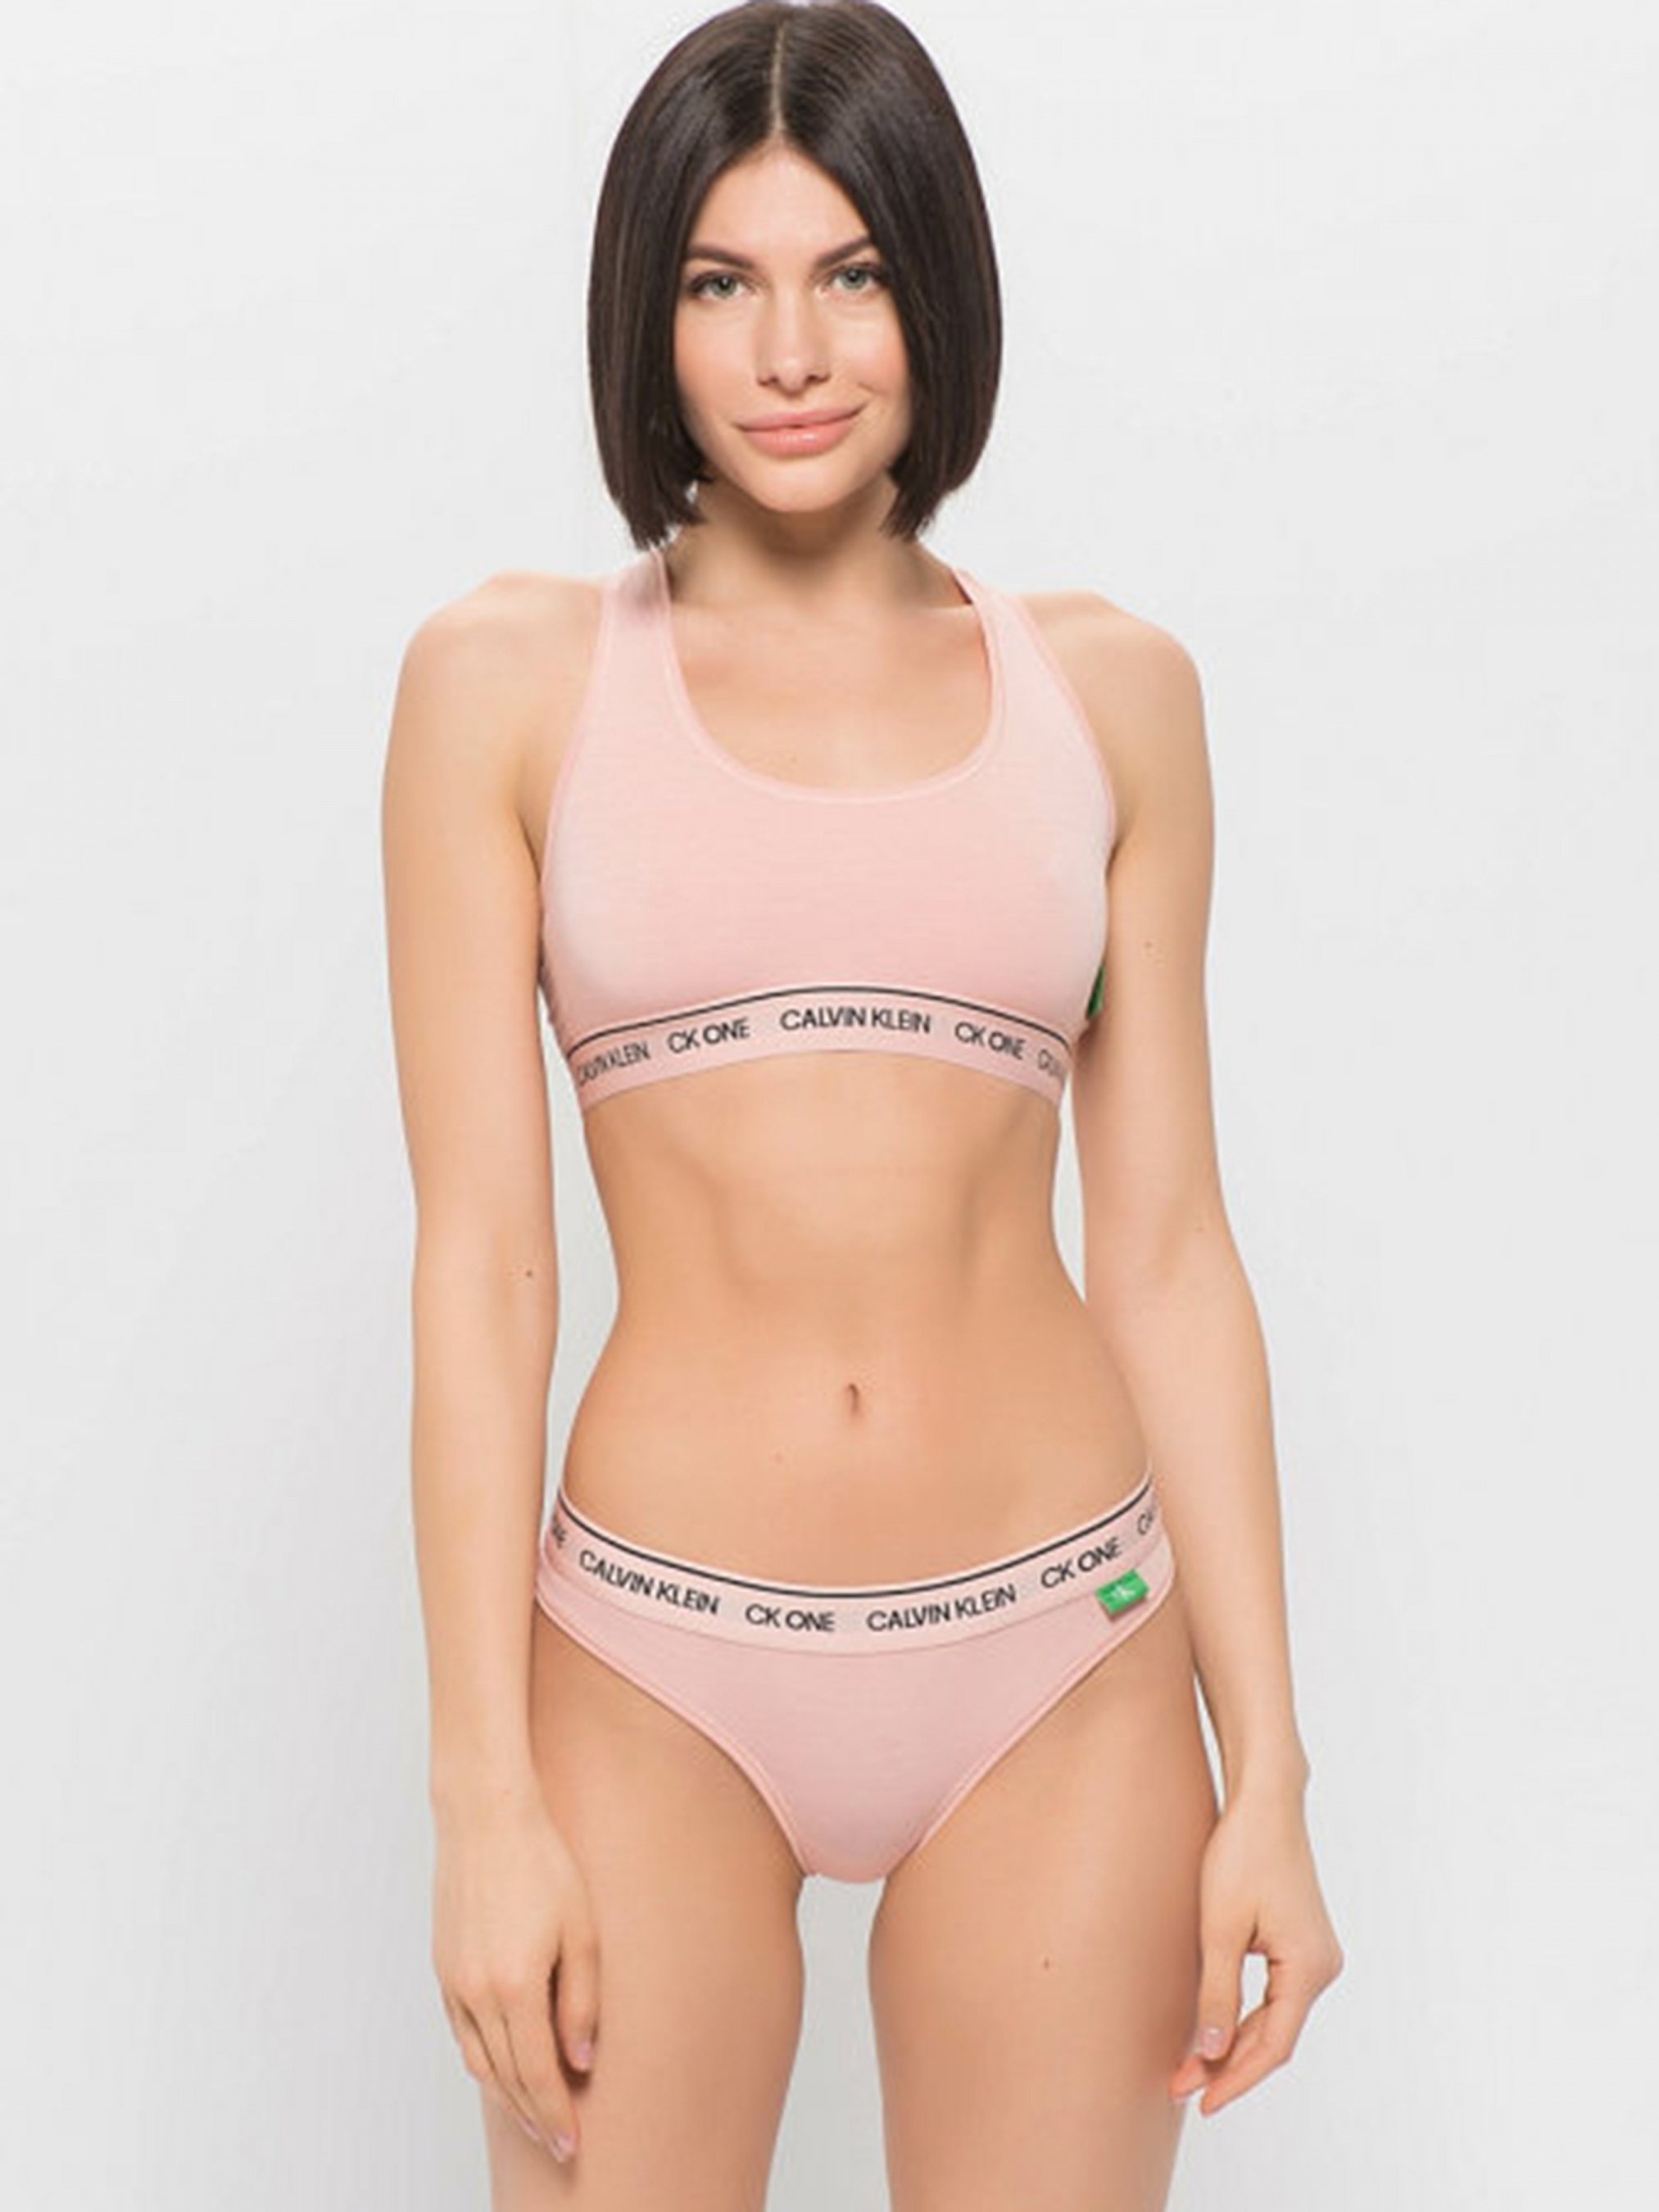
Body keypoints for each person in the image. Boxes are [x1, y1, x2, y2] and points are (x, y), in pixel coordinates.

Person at [382, 2, 1344, 2205]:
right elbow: (483, 1265)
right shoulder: (503, 688)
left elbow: (1169, 1253)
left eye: (854, 273)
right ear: (647, 317)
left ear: (940, 291)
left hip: (1063, 1658)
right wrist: (480, 1797)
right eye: (722, 281)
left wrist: (1273, 1765)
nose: (792, 351)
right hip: (651, 1663)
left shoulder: (1113, 695)